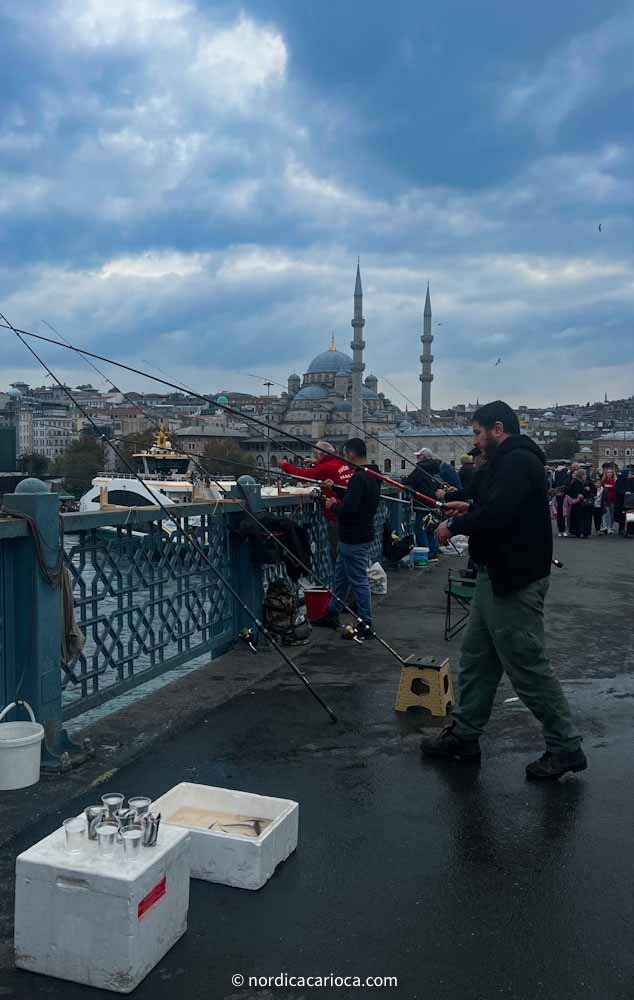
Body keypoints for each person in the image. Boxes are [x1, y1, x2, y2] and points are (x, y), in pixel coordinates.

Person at [422, 400, 587, 781]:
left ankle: (565, 746)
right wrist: (470, 505)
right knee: (477, 660)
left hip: (515, 580)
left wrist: (457, 525)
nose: (476, 441)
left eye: (478, 433)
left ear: (498, 428)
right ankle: (464, 736)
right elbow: (494, 505)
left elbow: (498, 516)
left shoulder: (518, 461)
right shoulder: (508, 462)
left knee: (526, 664)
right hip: (494, 576)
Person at [312, 439, 381, 637]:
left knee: (359, 580)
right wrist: (335, 489)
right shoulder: (372, 474)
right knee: (340, 577)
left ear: (351, 454)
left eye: (345, 454)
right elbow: (357, 498)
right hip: (359, 534)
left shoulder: (359, 478)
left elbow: (349, 509)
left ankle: (366, 623)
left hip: (354, 537)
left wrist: (331, 505)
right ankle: (332, 613)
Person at [279, 442, 353, 564]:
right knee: (347, 553)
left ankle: (339, 582)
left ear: (321, 453)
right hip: (348, 513)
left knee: (337, 554)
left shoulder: (326, 467)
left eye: (316, 455)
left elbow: (302, 475)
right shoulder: (341, 461)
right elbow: (328, 467)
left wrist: (285, 465)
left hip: (335, 515)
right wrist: (315, 463)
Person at [566, 469, 595, 538]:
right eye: (583, 475)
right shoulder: (575, 482)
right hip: (577, 503)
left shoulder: (588, 482)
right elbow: (570, 491)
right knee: (578, 518)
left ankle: (586, 532)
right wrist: (577, 495)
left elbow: (594, 490)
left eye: (585, 474)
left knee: (587, 519)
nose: (585, 476)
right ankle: (577, 532)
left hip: (587, 503)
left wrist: (589, 490)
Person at [600, 468, 617, 534]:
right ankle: (605, 526)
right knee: (605, 513)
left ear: (613, 474)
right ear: (606, 474)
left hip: (613, 500)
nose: (609, 473)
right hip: (605, 499)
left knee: (611, 514)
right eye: (608, 472)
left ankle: (610, 527)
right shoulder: (603, 481)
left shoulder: (615, 481)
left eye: (611, 472)